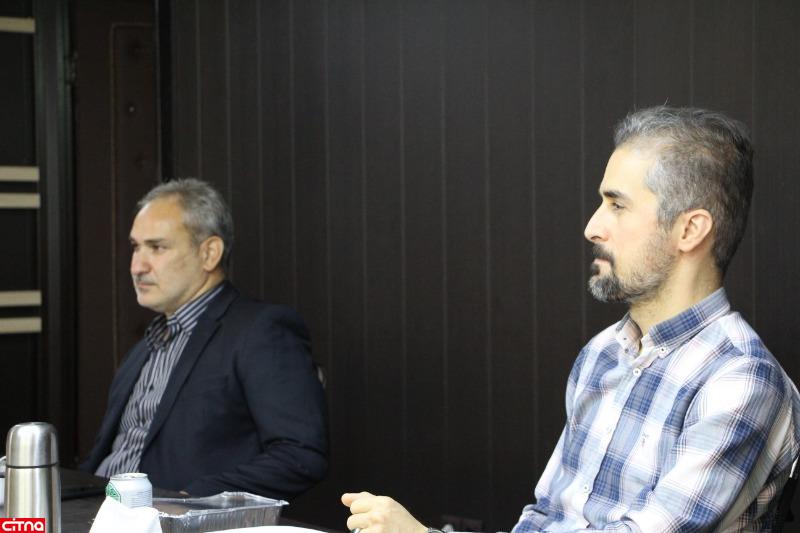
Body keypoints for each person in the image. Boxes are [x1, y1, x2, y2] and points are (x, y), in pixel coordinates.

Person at [342, 106, 800, 531]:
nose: (592, 227)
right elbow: (545, 518)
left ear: (689, 230)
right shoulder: (603, 353)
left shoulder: (740, 382)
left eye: (617, 205)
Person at [81, 178, 329, 499]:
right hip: (93, 509)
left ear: (209, 253)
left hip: (174, 516)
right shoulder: (144, 348)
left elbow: (300, 454)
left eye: (157, 247)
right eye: (136, 247)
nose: (137, 266)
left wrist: (193, 499)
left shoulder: (261, 330)